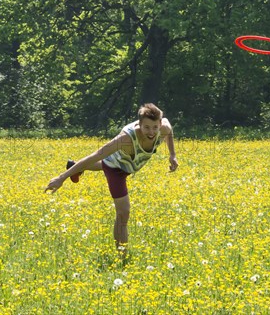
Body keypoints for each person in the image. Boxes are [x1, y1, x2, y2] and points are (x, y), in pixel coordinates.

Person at [44, 103, 178, 257]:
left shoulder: (164, 127)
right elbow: (97, 154)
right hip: (116, 169)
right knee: (123, 212)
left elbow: (169, 131)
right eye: (146, 127)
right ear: (139, 124)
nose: (151, 132)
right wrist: (62, 177)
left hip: (130, 163)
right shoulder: (126, 139)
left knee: (106, 165)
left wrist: (172, 155)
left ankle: (76, 166)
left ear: (159, 124)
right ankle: (122, 256)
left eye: (155, 127)